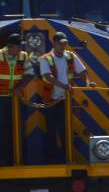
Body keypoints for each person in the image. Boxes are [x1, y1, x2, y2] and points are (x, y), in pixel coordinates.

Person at [36, 32, 90, 162]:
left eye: (64, 43)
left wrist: (87, 82)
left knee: (65, 128)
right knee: (51, 129)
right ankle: (52, 159)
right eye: (60, 43)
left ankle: (68, 157)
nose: (63, 45)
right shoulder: (45, 58)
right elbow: (48, 76)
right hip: (51, 99)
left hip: (65, 99)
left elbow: (82, 71)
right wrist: (64, 86)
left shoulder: (70, 56)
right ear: (54, 43)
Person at [0, 34, 31, 165]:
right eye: (19, 46)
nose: (21, 48)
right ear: (10, 46)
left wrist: (19, 88)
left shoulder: (24, 56)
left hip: (16, 99)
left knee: (17, 128)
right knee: (0, 128)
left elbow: (30, 74)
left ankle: (19, 158)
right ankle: (2, 159)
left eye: (21, 46)